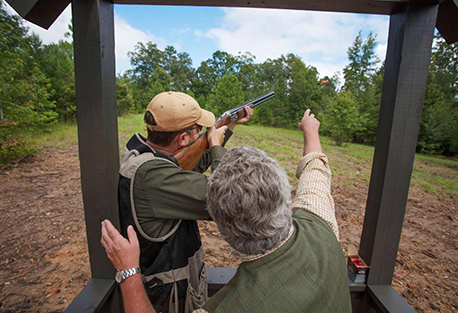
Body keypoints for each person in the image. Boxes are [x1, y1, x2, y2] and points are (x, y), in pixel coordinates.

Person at [102, 109, 352, 313]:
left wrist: (128, 271)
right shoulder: (321, 220)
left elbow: (225, 195)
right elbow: (315, 169)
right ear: (282, 192)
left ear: (223, 226)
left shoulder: (226, 305)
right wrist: (310, 129)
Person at [117, 91, 253, 313]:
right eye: (198, 129)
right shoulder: (154, 177)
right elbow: (225, 200)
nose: (202, 133)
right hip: (169, 298)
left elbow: (191, 163)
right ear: (182, 139)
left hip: (163, 286)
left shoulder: (142, 154)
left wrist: (229, 128)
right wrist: (217, 147)